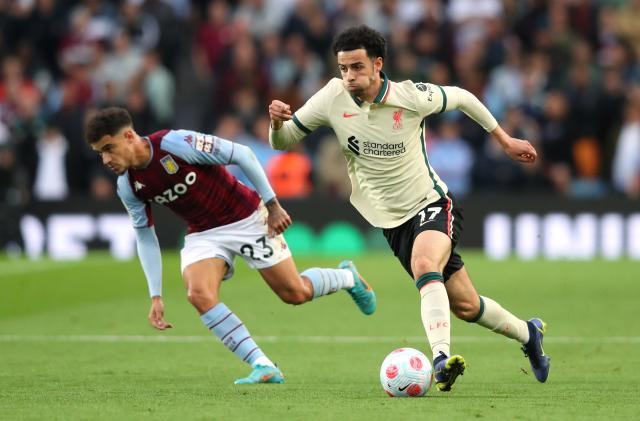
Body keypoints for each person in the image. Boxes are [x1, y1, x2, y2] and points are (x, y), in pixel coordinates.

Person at [268, 25, 550, 391]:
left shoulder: (410, 96)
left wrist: (505, 140)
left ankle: (440, 359)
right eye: (343, 69)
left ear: (378, 64)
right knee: (465, 306)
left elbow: (462, 97)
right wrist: (276, 124)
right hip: (391, 221)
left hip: (431, 203)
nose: (349, 76)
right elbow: (284, 141)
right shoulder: (331, 97)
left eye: (356, 67)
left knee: (423, 265)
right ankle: (529, 334)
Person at [85, 107, 376, 385]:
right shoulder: (127, 185)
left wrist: (272, 205)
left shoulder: (175, 143)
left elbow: (243, 154)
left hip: (247, 217)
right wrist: (156, 295)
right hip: (204, 234)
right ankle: (263, 365)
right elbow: (145, 236)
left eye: (108, 149)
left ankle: (348, 277)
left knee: (294, 293)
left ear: (128, 136)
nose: (105, 160)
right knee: (198, 294)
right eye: (100, 153)